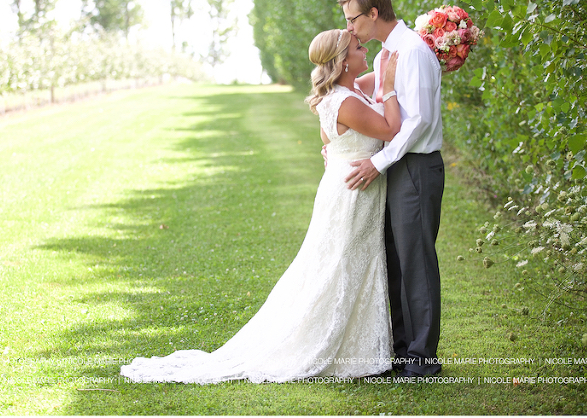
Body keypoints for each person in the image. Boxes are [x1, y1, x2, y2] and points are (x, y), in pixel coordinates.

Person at [120, 29, 402, 384]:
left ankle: (357, 345)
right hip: (353, 192)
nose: (367, 49)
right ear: (345, 60)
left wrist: (418, 47)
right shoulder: (346, 101)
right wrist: (390, 87)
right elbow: (391, 128)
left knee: (345, 263)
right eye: (360, 47)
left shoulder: (347, 90)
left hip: (346, 187)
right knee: (342, 265)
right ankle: (332, 345)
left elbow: (380, 70)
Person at [338, 0, 444, 379]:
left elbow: (417, 122)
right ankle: (401, 352)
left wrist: (377, 163)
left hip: (415, 167)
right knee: (395, 261)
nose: (349, 29)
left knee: (416, 261)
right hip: (396, 166)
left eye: (353, 20)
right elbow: (363, 103)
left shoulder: (413, 51)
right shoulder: (386, 56)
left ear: (374, 14)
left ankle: (421, 359)